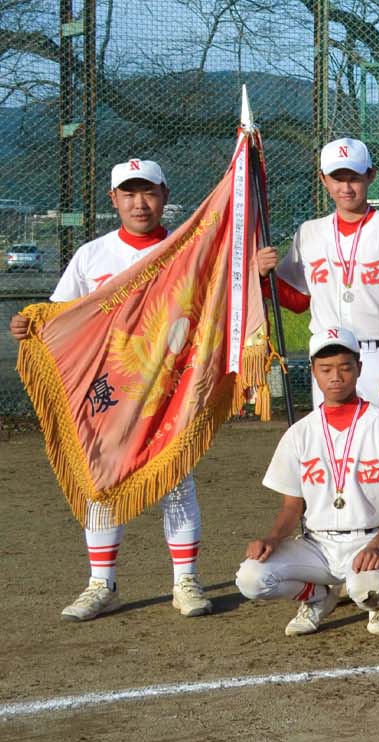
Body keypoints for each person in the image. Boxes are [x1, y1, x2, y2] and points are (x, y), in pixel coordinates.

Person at [10, 159, 276, 621]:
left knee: (175, 478)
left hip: (170, 388)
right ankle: (100, 584)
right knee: (99, 479)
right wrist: (29, 325)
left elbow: (222, 298)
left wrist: (252, 271)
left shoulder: (188, 251)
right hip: (106, 392)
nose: (139, 202)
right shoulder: (92, 256)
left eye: (148, 192)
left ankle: (185, 581)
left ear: (164, 195)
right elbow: (61, 320)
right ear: (113, 199)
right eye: (128, 193)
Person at [235, 328, 379, 636]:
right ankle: (317, 596)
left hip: (371, 538)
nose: (336, 377)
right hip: (318, 545)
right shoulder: (300, 433)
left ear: (359, 369)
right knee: (251, 579)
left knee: (366, 591)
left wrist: (377, 545)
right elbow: (292, 505)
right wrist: (274, 538)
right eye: (326, 369)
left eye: (345, 367)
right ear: (313, 372)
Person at [267, 138, 379, 414]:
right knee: (333, 447)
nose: (346, 188)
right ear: (323, 179)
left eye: (354, 178)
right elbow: (298, 299)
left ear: (370, 175)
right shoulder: (309, 233)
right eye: (337, 178)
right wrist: (265, 277)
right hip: (327, 355)